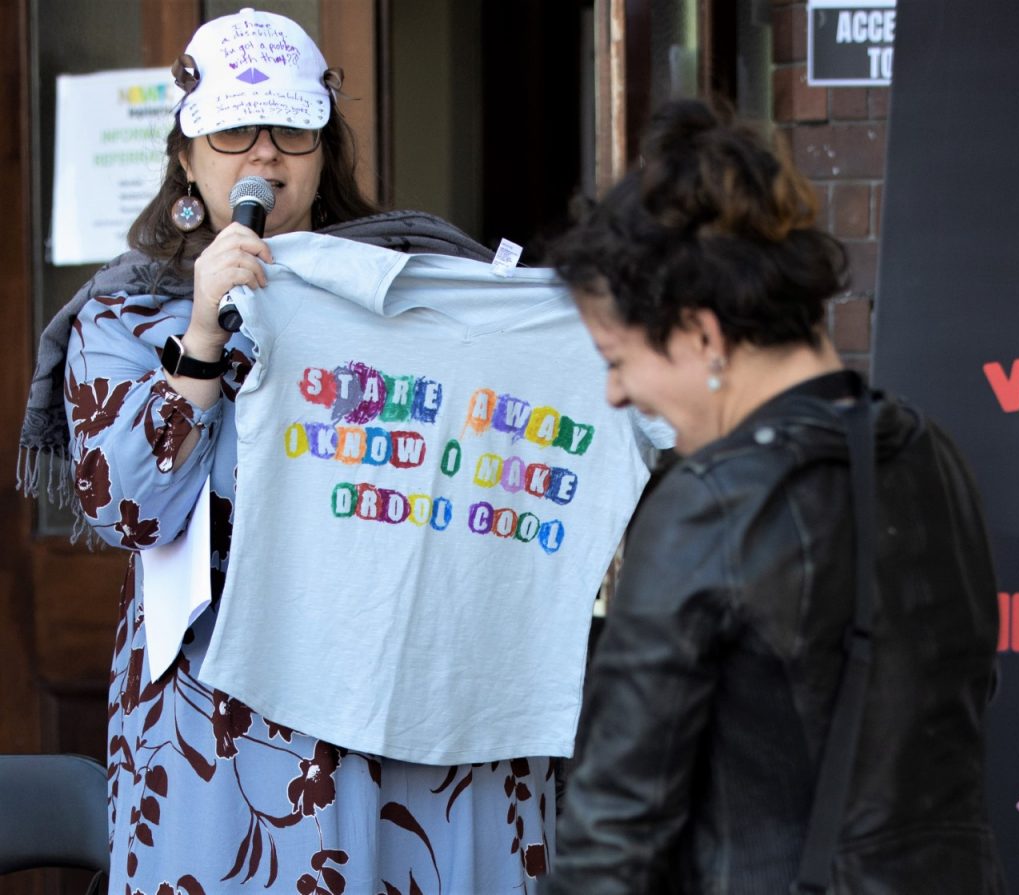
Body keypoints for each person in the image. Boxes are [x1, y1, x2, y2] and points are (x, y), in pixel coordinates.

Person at [17, 8, 655, 894]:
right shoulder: (129, 315)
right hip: (238, 721)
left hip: (422, 685)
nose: (265, 157)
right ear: (187, 161)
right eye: (235, 132)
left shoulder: (404, 289)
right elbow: (129, 506)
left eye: (293, 131)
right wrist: (203, 340)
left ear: (326, 152)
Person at [538, 98, 1006, 894]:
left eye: (616, 357)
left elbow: (613, 836)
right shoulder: (934, 455)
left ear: (701, 334)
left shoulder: (710, 504)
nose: (615, 394)